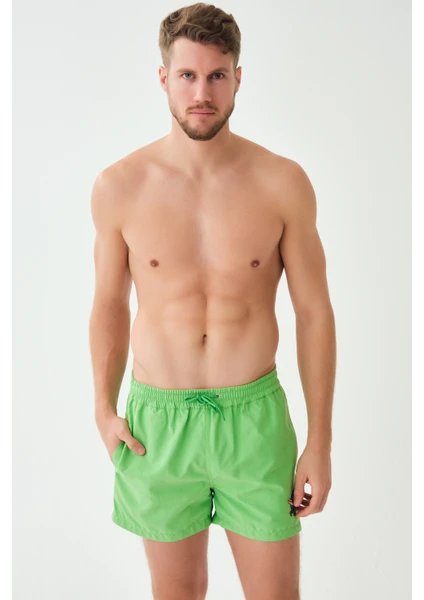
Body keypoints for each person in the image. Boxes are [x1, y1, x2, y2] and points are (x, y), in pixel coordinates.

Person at [89, 3, 336, 599]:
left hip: (254, 422)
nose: (202, 93)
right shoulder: (120, 186)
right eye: (188, 75)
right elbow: (109, 305)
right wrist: (102, 407)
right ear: (163, 78)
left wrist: (320, 441)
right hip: (156, 427)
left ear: (238, 78)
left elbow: (314, 313)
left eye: (217, 75)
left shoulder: (282, 182)